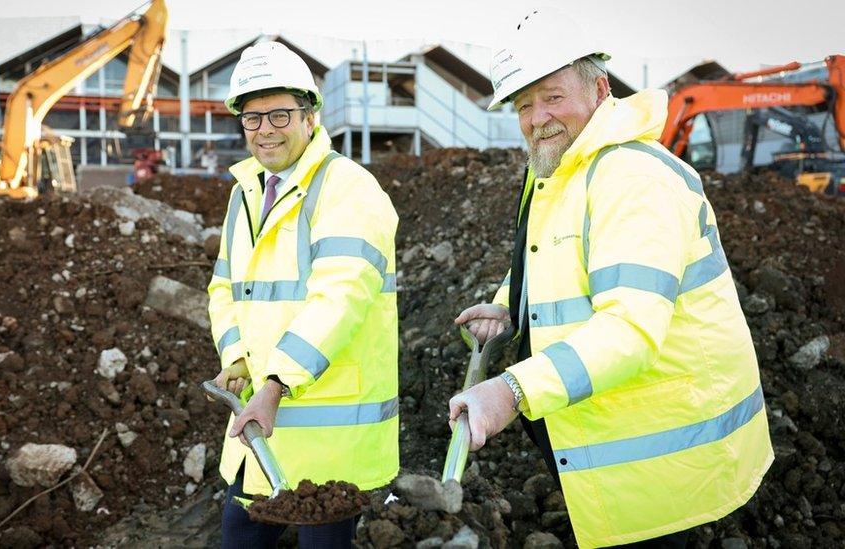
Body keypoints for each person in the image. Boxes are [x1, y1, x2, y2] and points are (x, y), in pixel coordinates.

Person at [449, 7, 773, 548]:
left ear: (599, 88)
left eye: (552, 97)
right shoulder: (567, 169)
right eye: (523, 105)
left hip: (665, 465)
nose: (537, 118)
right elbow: (552, 258)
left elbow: (630, 329)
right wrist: (511, 304)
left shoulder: (631, 177)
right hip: (614, 444)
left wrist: (511, 391)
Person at [207, 41, 399, 548]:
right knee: (240, 535)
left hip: (328, 437)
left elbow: (341, 297)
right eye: (252, 118)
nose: (265, 130)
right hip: (261, 425)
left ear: (310, 116)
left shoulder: (349, 188)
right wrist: (237, 359)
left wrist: (275, 382)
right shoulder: (245, 191)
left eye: (279, 115)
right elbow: (225, 287)